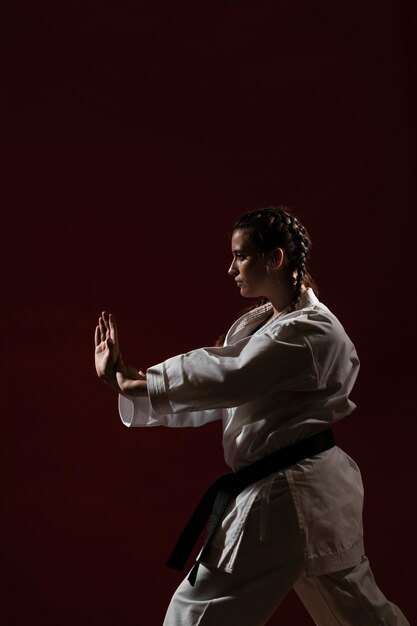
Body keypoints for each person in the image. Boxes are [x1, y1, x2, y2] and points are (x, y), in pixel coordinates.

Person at [94, 206, 409, 626]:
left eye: (241, 256)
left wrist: (135, 383)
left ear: (274, 258)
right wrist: (133, 382)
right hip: (309, 494)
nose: (231, 268)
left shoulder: (312, 331)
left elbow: (230, 374)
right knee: (357, 614)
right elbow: (219, 392)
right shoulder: (266, 326)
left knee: (194, 616)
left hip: (288, 494)